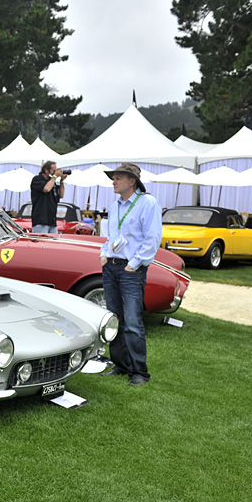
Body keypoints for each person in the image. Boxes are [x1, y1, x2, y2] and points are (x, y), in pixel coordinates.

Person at [99, 162, 162, 387]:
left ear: (131, 181)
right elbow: (109, 235)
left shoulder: (148, 203)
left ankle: (139, 372)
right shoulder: (115, 205)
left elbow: (152, 238)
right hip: (112, 267)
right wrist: (104, 255)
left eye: (118, 178)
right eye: (113, 178)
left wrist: (134, 265)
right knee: (115, 319)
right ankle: (121, 364)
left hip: (130, 269)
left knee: (133, 322)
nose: (113, 182)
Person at [29, 160, 65, 234]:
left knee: (53, 244)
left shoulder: (52, 182)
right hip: (40, 221)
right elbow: (46, 189)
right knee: (41, 243)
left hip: (52, 221)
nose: (55, 171)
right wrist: (55, 176)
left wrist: (61, 181)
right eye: (53, 170)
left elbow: (61, 195)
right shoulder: (37, 179)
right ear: (46, 170)